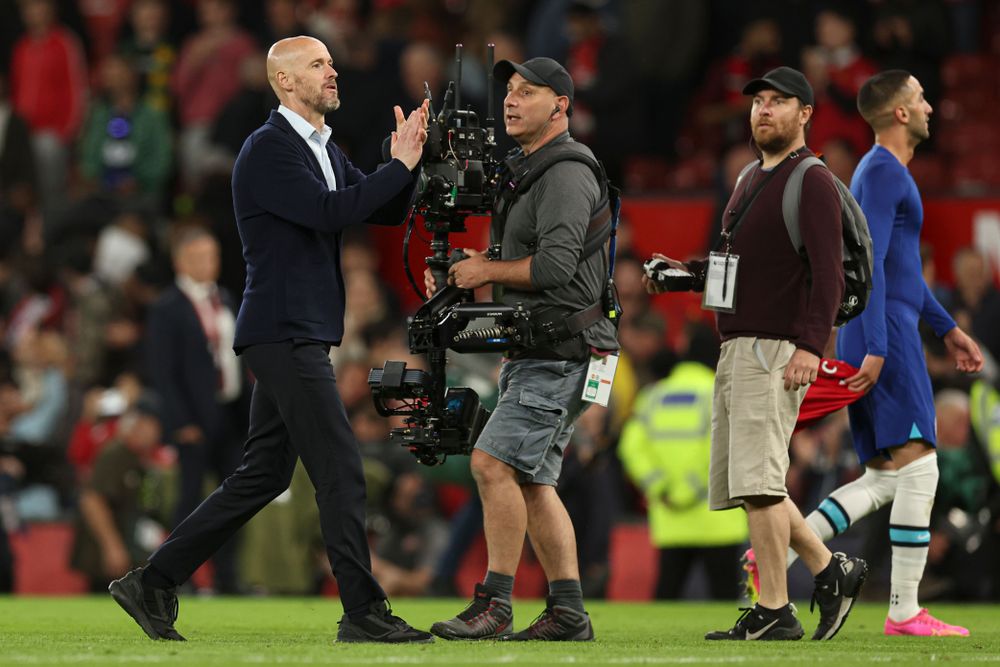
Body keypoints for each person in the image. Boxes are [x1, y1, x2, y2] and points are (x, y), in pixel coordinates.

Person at [109, 35, 432, 644]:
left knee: (263, 475)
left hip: (296, 331)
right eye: (318, 64)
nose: (332, 71)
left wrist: (409, 157)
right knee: (341, 468)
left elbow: (382, 211)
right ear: (284, 82)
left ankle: (152, 582)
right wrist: (398, 166)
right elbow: (332, 212)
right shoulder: (269, 149)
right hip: (282, 332)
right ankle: (363, 611)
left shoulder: (322, 147)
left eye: (332, 62)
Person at [748, 70, 983, 637]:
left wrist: (946, 327)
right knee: (922, 466)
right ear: (900, 113)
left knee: (885, 477)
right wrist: (879, 346)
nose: (929, 106)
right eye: (921, 98)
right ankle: (904, 611)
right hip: (885, 335)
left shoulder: (886, 172)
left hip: (886, 328)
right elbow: (870, 264)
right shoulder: (881, 172)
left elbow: (900, 268)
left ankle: (773, 549)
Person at [644, 66, 868, 641]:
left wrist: (809, 347)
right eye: (758, 102)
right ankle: (830, 567)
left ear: (806, 115)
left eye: (778, 102)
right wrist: (683, 275)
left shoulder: (811, 180)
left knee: (762, 482)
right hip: (738, 344)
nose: (763, 110)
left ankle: (775, 608)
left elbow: (829, 278)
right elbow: (732, 269)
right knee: (752, 482)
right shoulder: (748, 177)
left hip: (775, 349)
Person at [425, 57, 618, 641]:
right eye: (509, 91)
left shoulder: (564, 172)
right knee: (533, 481)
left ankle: (496, 604)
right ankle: (568, 613)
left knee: (491, 463)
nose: (511, 101)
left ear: (561, 105)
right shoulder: (532, 170)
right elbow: (525, 264)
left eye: (528, 92)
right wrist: (468, 271)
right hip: (557, 349)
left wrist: (485, 267)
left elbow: (558, 266)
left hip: (564, 349)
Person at [145, 227, 247, 594]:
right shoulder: (167, 307)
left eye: (213, 256)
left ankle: (228, 578)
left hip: (231, 414)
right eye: (200, 257)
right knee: (189, 500)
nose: (209, 263)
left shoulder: (227, 299)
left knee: (236, 500)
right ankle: (174, 578)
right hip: (194, 419)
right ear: (180, 260)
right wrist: (180, 421)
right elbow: (163, 372)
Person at [618, 323, 748, 600]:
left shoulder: (654, 396)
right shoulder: (721, 393)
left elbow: (631, 446)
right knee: (725, 601)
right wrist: (694, 487)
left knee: (667, 594)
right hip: (718, 518)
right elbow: (727, 445)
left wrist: (659, 487)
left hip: (670, 515)